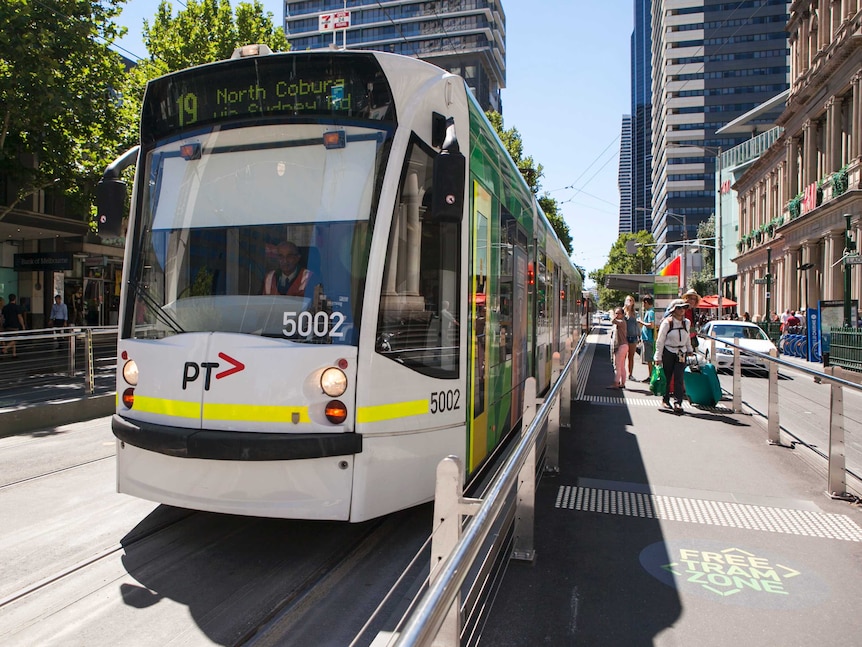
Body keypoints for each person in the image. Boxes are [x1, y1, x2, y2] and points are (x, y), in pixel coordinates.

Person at [654, 298, 694, 414]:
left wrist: (689, 349)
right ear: (673, 309)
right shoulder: (667, 322)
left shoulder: (686, 322)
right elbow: (660, 340)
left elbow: (687, 338)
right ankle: (665, 400)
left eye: (684, 308)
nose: (682, 310)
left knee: (679, 378)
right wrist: (658, 357)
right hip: (668, 351)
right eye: (679, 308)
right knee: (667, 376)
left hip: (681, 352)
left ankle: (678, 402)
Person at [608, 306, 628, 389]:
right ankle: (622, 383)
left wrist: (612, 314)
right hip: (624, 346)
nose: (617, 315)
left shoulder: (621, 322)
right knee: (622, 366)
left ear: (623, 314)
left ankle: (616, 383)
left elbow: (612, 320)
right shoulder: (621, 322)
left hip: (621, 346)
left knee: (617, 366)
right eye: (616, 313)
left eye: (619, 313)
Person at [638, 295, 656, 382]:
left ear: (646, 302)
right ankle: (650, 376)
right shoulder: (650, 311)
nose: (643, 305)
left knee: (649, 359)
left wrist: (641, 322)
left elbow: (651, 325)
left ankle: (651, 377)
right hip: (648, 338)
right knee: (649, 359)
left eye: (643, 303)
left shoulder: (650, 312)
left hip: (649, 339)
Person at [2, 293, 25, 358]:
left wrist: (1, 325)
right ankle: (5, 348)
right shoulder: (17, 307)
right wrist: (23, 325)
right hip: (14, 325)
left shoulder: (5, 307)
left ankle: (14, 353)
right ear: (15, 299)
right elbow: (19, 317)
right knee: (15, 339)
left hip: (6, 325)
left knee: (11, 339)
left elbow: (2, 317)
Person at [623, 295, 640, 381]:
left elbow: (637, 325)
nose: (629, 302)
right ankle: (622, 374)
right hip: (624, 337)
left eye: (631, 300)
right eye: (628, 300)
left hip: (633, 337)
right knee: (623, 356)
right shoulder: (623, 313)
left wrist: (639, 335)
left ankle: (630, 374)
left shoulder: (635, 313)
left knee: (631, 357)